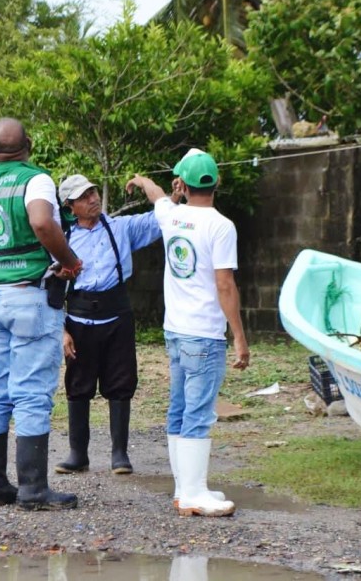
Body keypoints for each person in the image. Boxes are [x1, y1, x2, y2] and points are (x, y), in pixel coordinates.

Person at [0, 117, 83, 511]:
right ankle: (33, 489)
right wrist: (69, 260)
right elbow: (41, 221)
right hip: (29, 298)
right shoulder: (36, 180)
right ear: (28, 144)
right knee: (31, 391)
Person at [125, 148, 250, 517]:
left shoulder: (172, 216)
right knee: (197, 411)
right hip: (204, 334)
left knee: (179, 408)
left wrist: (143, 180)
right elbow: (225, 285)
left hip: (176, 331)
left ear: (184, 183)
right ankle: (193, 492)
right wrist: (239, 336)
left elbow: (157, 196)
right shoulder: (221, 226)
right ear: (217, 182)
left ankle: (186, 488)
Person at [53, 174, 164, 476]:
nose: (92, 199)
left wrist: (150, 186)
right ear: (69, 206)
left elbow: (164, 217)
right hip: (78, 319)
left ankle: (119, 454)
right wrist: (61, 331)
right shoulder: (61, 238)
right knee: (78, 386)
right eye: (84, 196)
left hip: (117, 316)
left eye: (92, 192)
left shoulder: (121, 228)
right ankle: (78, 454)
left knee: (120, 384)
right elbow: (50, 289)